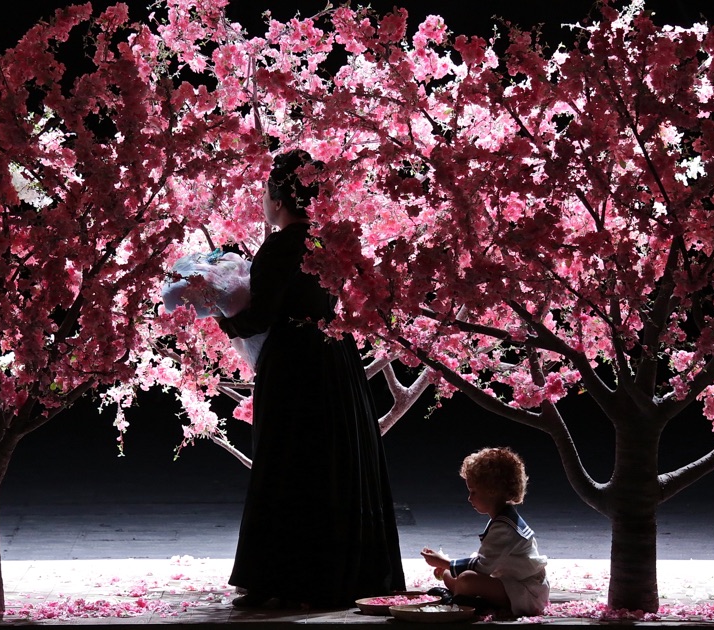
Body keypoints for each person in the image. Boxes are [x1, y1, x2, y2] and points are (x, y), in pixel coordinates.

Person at [217, 149, 406, 609]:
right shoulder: (328, 241)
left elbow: (260, 316)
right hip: (335, 355)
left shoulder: (281, 246)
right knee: (336, 459)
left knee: (288, 461)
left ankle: (285, 577)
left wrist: (220, 312)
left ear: (278, 200)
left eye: (266, 194)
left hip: (295, 362)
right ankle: (348, 572)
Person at [420, 446, 549, 617]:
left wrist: (444, 562)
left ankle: (469, 601)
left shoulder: (504, 527)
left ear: (492, 491)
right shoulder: (502, 519)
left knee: (465, 579)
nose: (469, 498)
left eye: (473, 491)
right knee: (449, 575)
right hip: (509, 582)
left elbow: (482, 567)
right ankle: (464, 595)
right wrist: (446, 567)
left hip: (526, 593)